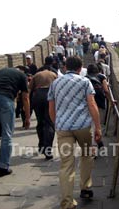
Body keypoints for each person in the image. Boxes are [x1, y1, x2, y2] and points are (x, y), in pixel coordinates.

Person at [48, 56, 102, 209]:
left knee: (66, 164)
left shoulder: (55, 83)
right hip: (83, 126)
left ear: (65, 67)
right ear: (80, 69)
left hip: (63, 128)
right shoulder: (85, 82)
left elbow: (51, 108)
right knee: (87, 155)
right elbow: (92, 104)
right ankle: (85, 188)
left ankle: (67, 202)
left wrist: (56, 124)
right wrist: (97, 127)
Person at [29, 68, 57, 160]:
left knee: (40, 122)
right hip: (50, 96)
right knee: (49, 123)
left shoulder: (36, 75)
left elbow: (30, 89)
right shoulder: (53, 75)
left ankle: (41, 145)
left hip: (38, 96)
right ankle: (48, 149)